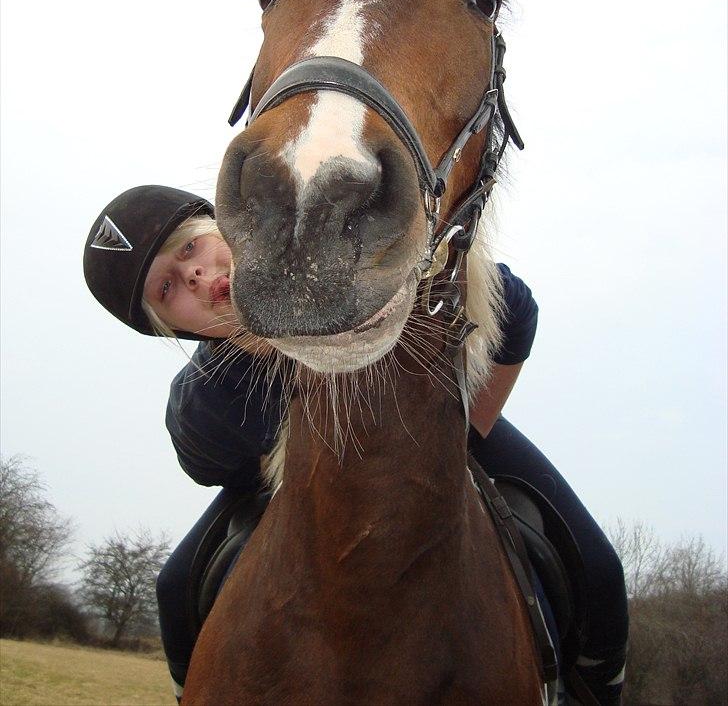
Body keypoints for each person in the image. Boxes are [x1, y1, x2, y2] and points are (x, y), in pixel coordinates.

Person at [83, 185, 628, 705]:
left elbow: (515, 309)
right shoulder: (208, 406)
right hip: (296, 482)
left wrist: (463, 436)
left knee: (600, 570)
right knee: (174, 587)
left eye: (191, 246)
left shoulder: (360, 267)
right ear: (170, 328)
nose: (199, 276)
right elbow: (208, 465)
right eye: (168, 288)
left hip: (440, 428)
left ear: (229, 225)